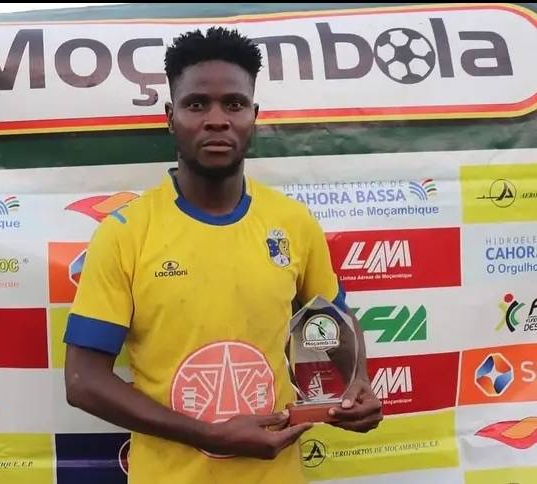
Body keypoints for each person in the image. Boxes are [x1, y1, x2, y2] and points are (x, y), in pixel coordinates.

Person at [63, 27, 382, 484]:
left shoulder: (292, 222)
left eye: (233, 104)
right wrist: (207, 435)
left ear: (254, 115)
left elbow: (331, 323)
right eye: (197, 105)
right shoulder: (125, 233)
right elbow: (84, 382)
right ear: (170, 117)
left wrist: (358, 382)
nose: (217, 119)